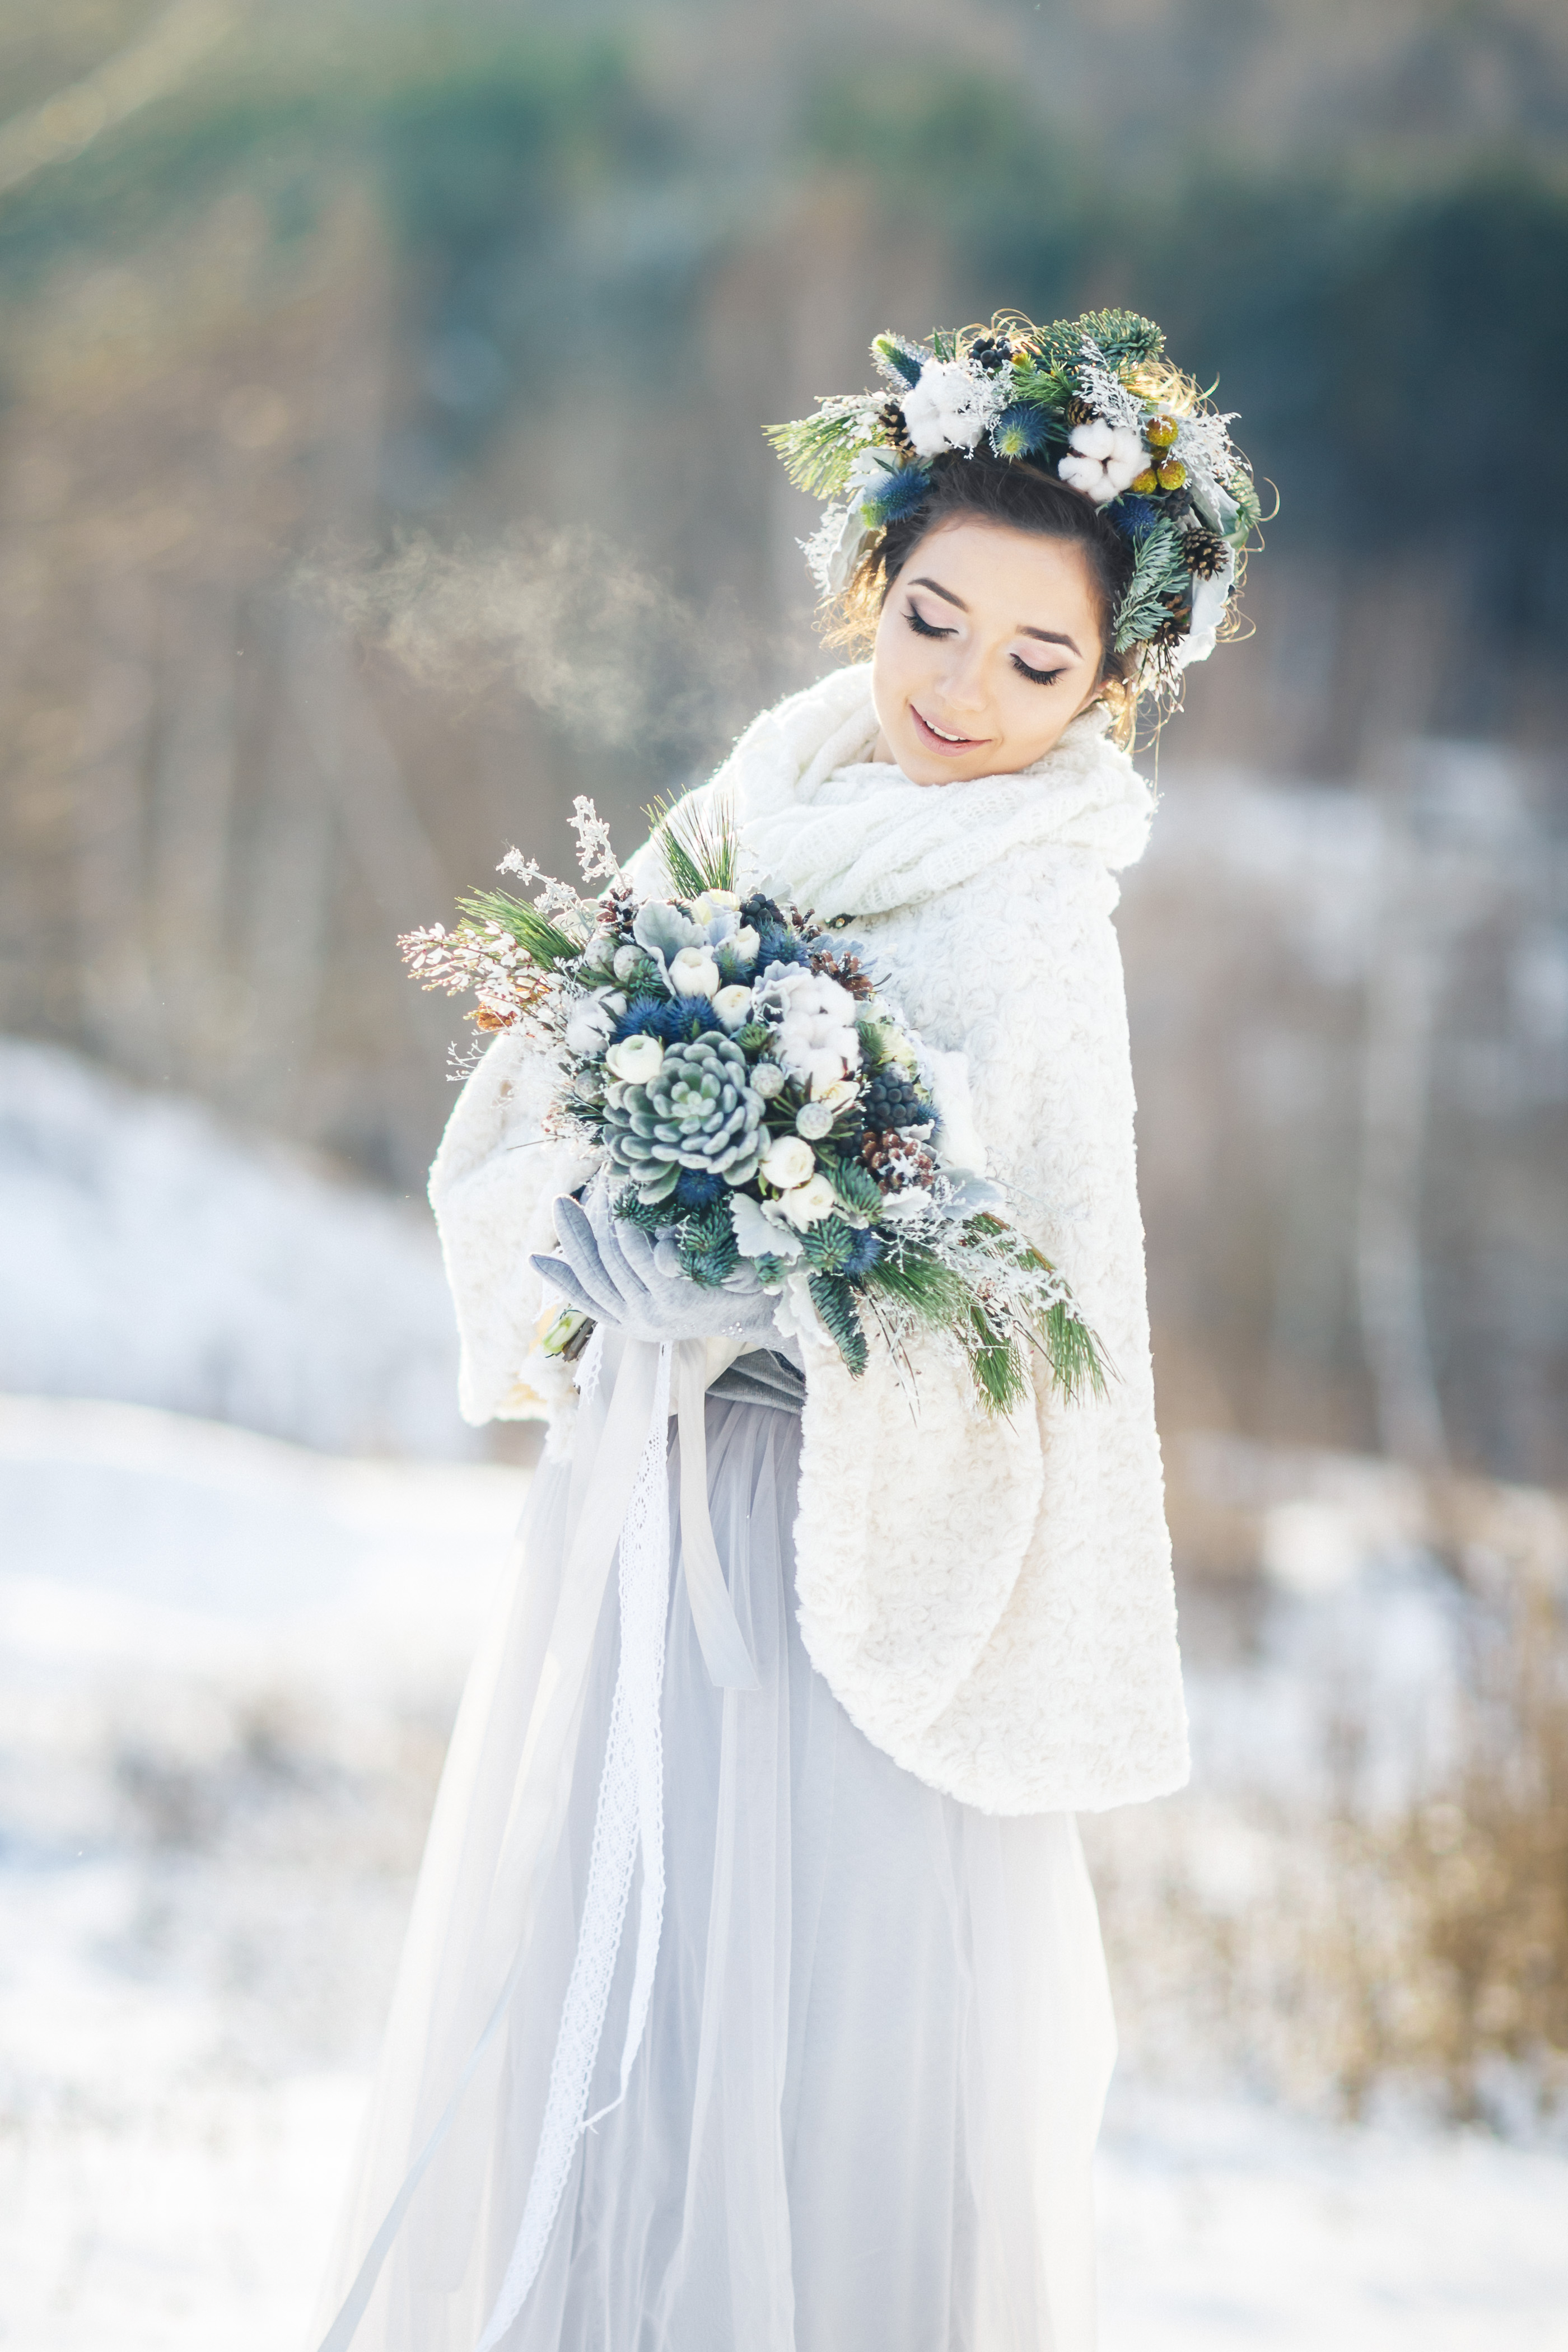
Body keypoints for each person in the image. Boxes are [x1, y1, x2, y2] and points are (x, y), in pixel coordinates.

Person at [312, 309, 1259, 2352]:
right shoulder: (761, 800)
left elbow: (1045, 1334)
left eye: (1039, 663)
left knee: (822, 2029)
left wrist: (795, 1291)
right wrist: (596, 1231)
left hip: (859, 1578)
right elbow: (530, 1092)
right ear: (870, 583)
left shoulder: (1037, 914)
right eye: (934, 619)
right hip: (654, 1522)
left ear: (1112, 690)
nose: (962, 693)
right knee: (624, 1983)